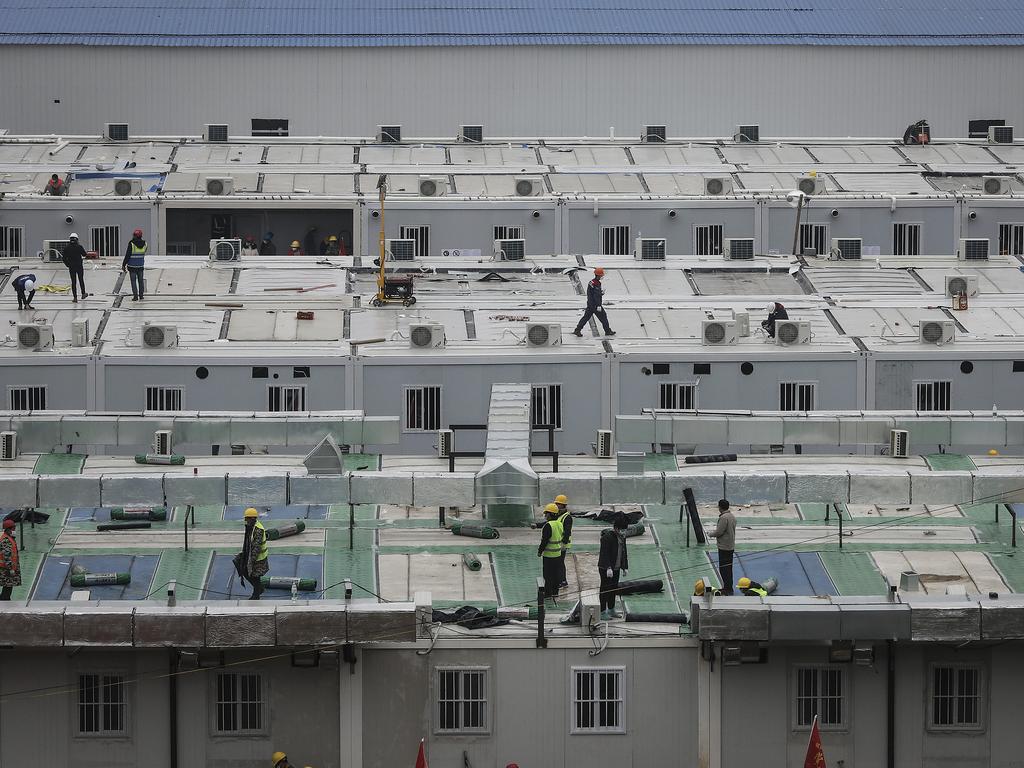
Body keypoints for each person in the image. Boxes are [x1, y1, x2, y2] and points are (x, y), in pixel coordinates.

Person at [597, 512, 629, 620]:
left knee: (613, 589)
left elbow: (624, 552)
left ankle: (611, 609)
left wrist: (624, 567)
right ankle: (602, 611)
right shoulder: (607, 538)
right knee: (605, 590)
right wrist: (608, 567)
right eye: (621, 529)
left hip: (616, 568)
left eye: (625, 530)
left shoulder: (622, 537)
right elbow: (604, 554)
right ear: (615, 528)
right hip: (606, 569)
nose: (623, 532)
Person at [572, 267, 615, 337]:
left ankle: (577, 330)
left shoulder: (591, 282)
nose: (602, 276)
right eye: (601, 275)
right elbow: (596, 296)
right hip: (595, 305)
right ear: (598, 275)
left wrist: (600, 293)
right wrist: (598, 305)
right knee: (603, 317)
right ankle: (607, 331)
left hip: (590, 304)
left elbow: (592, 293)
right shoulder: (597, 284)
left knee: (585, 317)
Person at [707, 499, 737, 596]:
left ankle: (727, 588)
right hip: (730, 545)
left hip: (724, 547)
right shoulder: (732, 516)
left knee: (724, 569)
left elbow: (719, 531)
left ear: (720, 507)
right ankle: (728, 587)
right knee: (728, 568)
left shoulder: (724, 518)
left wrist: (710, 534)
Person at [536, 503, 564, 601]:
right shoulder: (559, 523)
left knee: (547, 575)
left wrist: (540, 551)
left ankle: (548, 594)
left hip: (549, 555)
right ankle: (555, 593)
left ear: (550, 514)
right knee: (556, 575)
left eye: (546, 514)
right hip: (558, 554)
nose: (545, 516)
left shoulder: (548, 526)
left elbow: (545, 540)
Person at [242, 507, 269, 600]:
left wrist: (251, 561)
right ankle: (259, 589)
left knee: (255, 576)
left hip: (258, 559)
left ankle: (256, 594)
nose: (245, 521)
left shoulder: (258, 530)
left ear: (252, 519)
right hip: (252, 556)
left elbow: (256, 548)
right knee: (243, 569)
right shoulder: (251, 527)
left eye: (247, 519)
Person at [121, 228, 148, 301]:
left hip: (132, 266)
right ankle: (141, 296)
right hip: (140, 266)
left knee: (133, 281)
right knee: (140, 281)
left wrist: (123, 264)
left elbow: (128, 255)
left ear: (135, 236)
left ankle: (135, 296)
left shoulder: (131, 244)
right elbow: (144, 252)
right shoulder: (145, 244)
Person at [61, 232, 89, 302]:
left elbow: (64, 258)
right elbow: (85, 254)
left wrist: (68, 264)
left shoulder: (67, 248)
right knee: (81, 280)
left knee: (73, 282)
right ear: (77, 239)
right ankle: (83, 293)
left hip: (71, 267)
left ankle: (75, 297)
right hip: (79, 266)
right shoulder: (79, 247)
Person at [554, 494, 572, 589]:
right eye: (556, 503)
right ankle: (561, 580)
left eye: (558, 504)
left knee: (560, 563)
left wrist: (563, 542)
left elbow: (567, 531)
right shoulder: (558, 515)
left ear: (563, 505)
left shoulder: (566, 517)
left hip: (562, 545)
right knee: (559, 563)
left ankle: (563, 581)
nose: (556, 505)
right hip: (558, 544)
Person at [0, 519, 20, 600]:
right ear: (8, 529)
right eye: (13, 529)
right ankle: (4, 602)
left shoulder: (10, 538)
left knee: (8, 588)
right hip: (6, 570)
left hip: (7, 569)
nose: (14, 530)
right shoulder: (6, 540)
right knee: (7, 589)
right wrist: (10, 568)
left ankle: (5, 600)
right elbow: (7, 555)